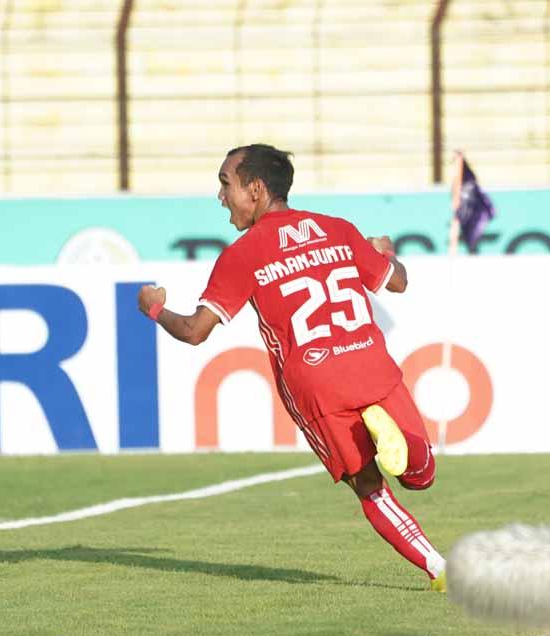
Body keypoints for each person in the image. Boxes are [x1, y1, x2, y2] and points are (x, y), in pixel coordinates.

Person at [137, 144, 446, 591]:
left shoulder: (245, 253)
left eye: (226, 184)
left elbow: (193, 331)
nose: (221, 197)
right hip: (370, 363)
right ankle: (402, 450)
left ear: (256, 190)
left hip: (318, 383)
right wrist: (386, 251)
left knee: (369, 488)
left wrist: (154, 309)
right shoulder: (337, 229)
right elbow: (397, 281)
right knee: (423, 476)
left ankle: (439, 568)